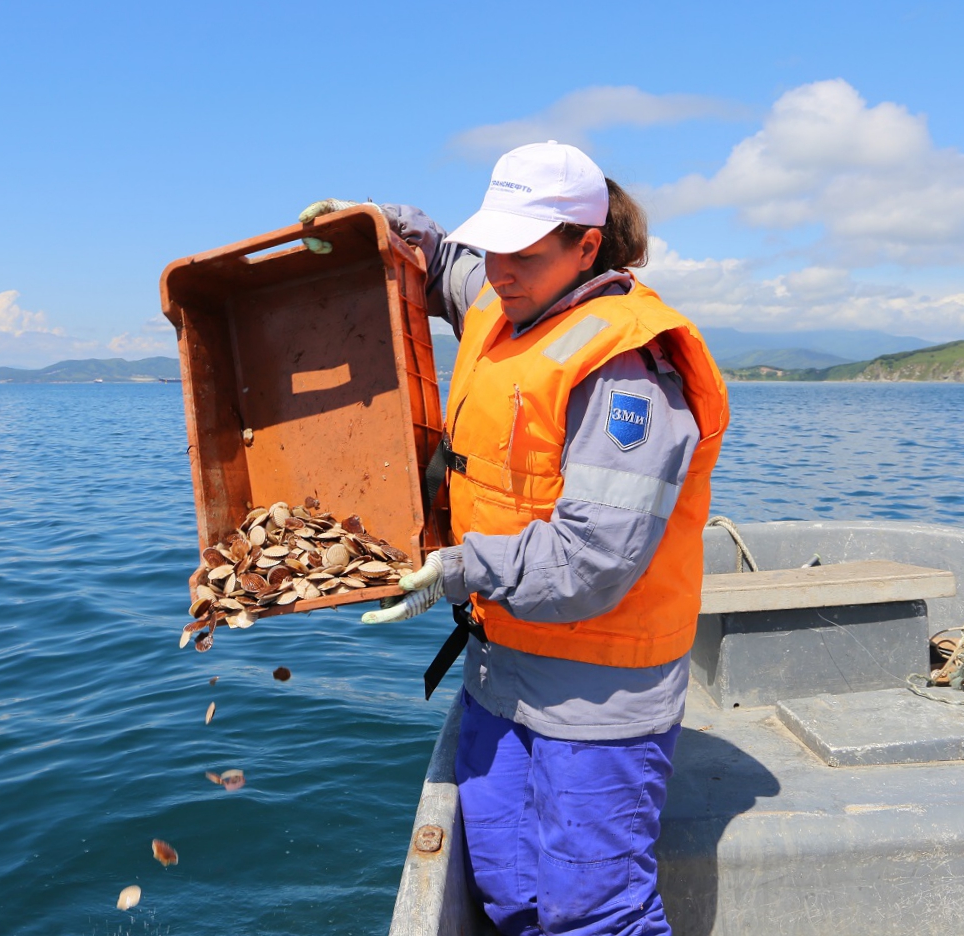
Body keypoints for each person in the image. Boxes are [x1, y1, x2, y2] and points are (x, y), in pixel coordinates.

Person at [300, 142, 728, 936]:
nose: (499, 269)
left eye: (523, 254)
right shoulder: (504, 296)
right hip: (502, 673)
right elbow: (434, 258)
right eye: (494, 246)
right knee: (508, 891)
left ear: (586, 247)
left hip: (600, 692)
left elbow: (593, 561)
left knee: (591, 911)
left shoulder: (626, 370)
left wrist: (458, 568)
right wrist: (373, 221)